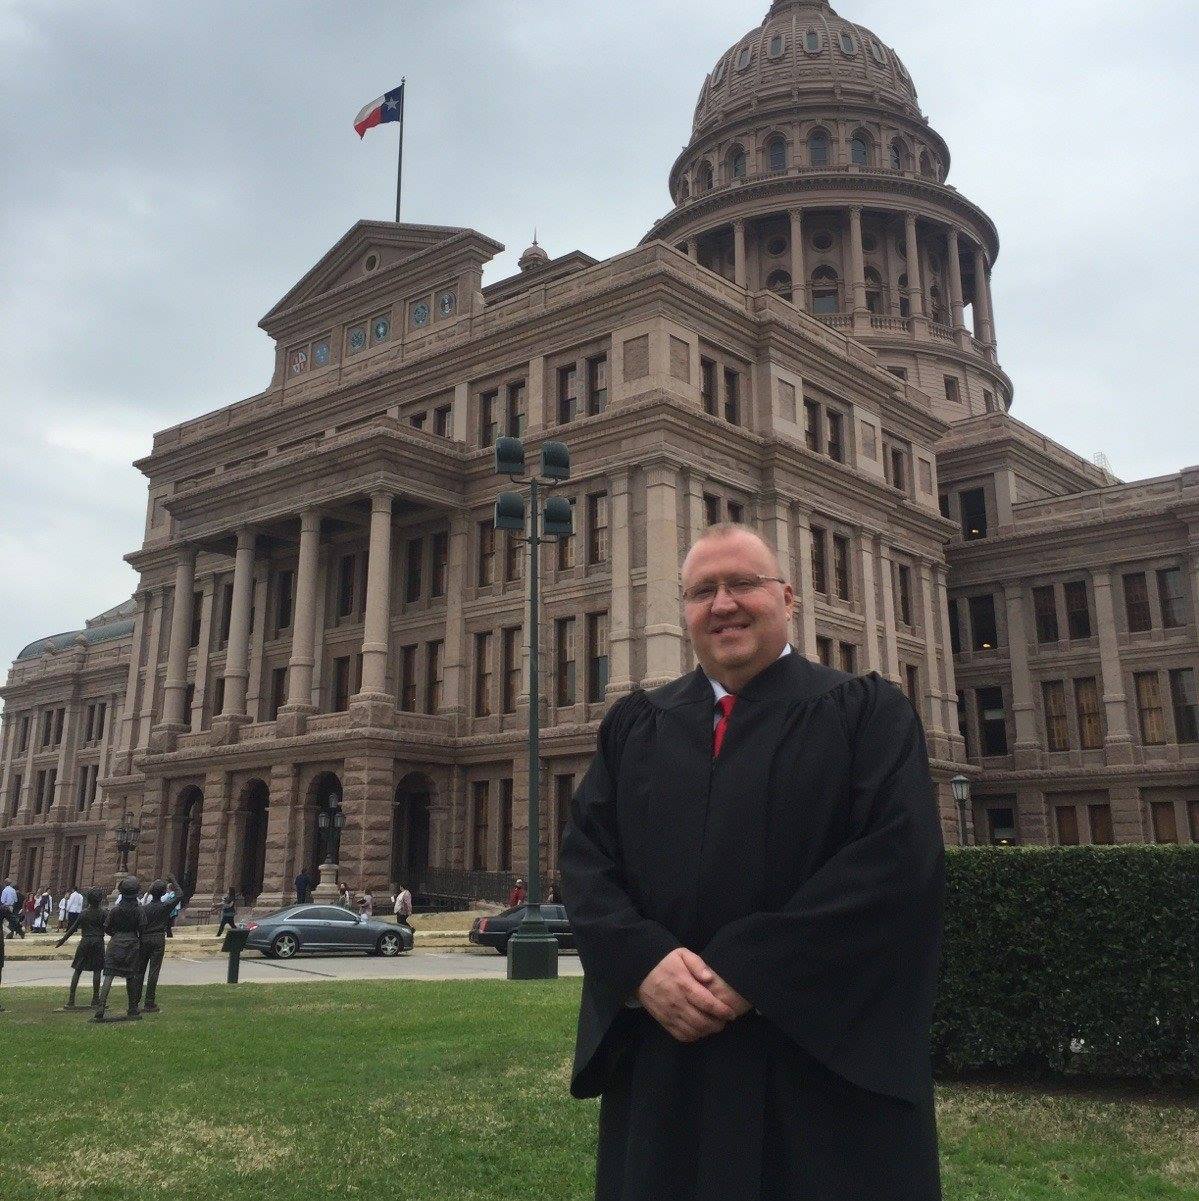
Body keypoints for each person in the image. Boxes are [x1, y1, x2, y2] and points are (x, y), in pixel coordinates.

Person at [559, 523, 945, 1201]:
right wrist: (641, 962)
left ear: (787, 597)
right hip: (666, 1065)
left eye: (742, 583)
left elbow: (895, 865)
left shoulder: (866, 714)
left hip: (815, 1070)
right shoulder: (636, 726)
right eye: (701, 590)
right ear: (683, 611)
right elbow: (588, 862)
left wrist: (751, 968)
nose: (723, 603)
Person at [93, 876, 147, 1022]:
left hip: (116, 942)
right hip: (132, 943)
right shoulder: (139, 910)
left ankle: (100, 1008)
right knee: (131, 977)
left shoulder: (115, 910)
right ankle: (133, 1008)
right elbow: (142, 930)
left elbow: (107, 927)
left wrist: (116, 935)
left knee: (109, 976)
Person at [56, 887, 107, 1009]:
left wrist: (63, 940)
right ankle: (95, 999)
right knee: (97, 970)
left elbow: (73, 928)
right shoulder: (103, 913)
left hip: (85, 942)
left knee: (78, 970)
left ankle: (71, 1000)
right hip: (97, 942)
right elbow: (109, 928)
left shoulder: (84, 913)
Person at [136, 876, 180, 1013]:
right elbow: (180, 894)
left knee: (140, 971)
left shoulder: (143, 909)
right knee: (154, 971)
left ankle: (134, 1001)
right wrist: (173, 880)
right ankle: (149, 1002)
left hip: (144, 938)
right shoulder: (165, 906)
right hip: (158, 938)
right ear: (163, 894)